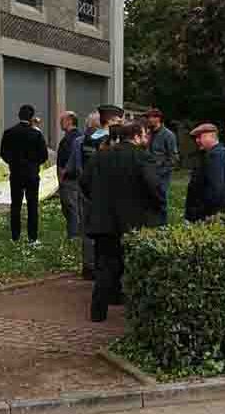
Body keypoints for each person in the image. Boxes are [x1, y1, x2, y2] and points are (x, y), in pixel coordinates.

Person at [80, 119, 164, 322]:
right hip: (135, 222)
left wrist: (99, 202)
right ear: (136, 136)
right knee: (136, 268)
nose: (147, 138)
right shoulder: (143, 157)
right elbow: (154, 187)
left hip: (104, 222)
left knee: (105, 268)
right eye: (145, 134)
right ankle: (137, 316)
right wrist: (158, 206)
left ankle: (98, 313)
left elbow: (84, 182)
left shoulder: (101, 156)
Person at [67, 106, 124, 280]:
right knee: (105, 230)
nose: (121, 124)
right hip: (104, 190)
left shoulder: (87, 138)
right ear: (112, 120)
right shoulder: (110, 140)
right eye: (119, 121)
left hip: (87, 187)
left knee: (88, 227)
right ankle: (103, 267)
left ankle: (89, 266)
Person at [0, 104, 49, 242]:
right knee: (32, 205)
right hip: (32, 174)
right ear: (32, 117)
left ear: (19, 116)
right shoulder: (36, 134)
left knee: (15, 205)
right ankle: (32, 237)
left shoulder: (9, 133)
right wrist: (34, 164)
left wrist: (12, 163)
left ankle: (15, 236)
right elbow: (44, 155)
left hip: (15, 173)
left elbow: (3, 153)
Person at [185, 123, 225, 222]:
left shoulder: (215, 156)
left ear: (212, 136)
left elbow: (215, 190)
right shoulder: (212, 154)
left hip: (209, 216)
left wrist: (201, 216)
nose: (197, 140)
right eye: (196, 138)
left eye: (200, 137)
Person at [146, 108, 179, 225]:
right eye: (148, 117)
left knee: (161, 200)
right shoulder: (148, 134)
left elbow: (173, 158)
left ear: (158, 119)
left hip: (162, 174)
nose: (148, 120)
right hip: (148, 173)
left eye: (151, 117)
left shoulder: (168, 135)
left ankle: (162, 225)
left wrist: (162, 171)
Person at [56, 111, 83, 239]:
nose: (60, 122)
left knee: (70, 209)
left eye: (62, 120)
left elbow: (64, 162)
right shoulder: (82, 137)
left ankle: (74, 236)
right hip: (79, 179)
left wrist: (61, 179)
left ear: (70, 121)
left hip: (68, 180)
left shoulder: (67, 140)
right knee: (78, 208)